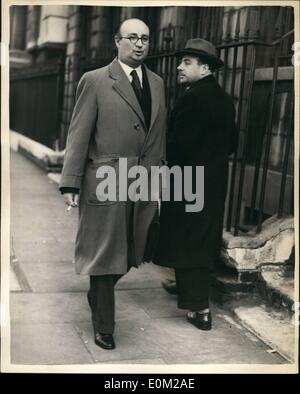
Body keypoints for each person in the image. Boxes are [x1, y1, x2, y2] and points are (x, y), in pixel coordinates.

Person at [59, 18, 166, 350]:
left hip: (143, 181)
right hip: (105, 181)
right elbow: (78, 135)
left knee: (135, 249)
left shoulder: (158, 83)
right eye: (132, 37)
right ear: (117, 42)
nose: (139, 44)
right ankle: (104, 324)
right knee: (105, 256)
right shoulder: (95, 80)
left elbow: (158, 135)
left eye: (145, 39)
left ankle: (97, 292)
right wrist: (71, 183)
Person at [154, 38, 238, 330]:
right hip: (213, 182)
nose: (179, 66)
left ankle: (199, 308)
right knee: (201, 238)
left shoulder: (192, 98)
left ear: (205, 68)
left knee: (186, 239)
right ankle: (187, 291)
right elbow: (232, 145)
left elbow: (178, 146)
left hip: (188, 181)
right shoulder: (225, 99)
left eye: (187, 62)